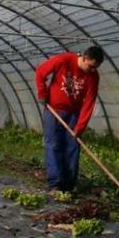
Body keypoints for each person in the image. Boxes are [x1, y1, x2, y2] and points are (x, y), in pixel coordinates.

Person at [34, 46, 104, 192]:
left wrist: (80, 126)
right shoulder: (64, 60)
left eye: (95, 68)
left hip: (73, 113)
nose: (92, 70)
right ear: (84, 58)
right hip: (53, 111)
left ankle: (69, 184)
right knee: (53, 145)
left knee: (73, 147)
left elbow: (89, 101)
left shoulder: (93, 76)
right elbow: (40, 72)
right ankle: (55, 184)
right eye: (91, 66)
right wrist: (42, 92)